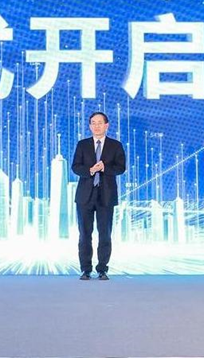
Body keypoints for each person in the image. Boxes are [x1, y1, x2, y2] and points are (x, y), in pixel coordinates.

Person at [71, 112, 126, 280]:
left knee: (105, 234)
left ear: (106, 125)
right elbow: (75, 167)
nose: (96, 126)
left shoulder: (115, 145)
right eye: (93, 123)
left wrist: (104, 168)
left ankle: (102, 269)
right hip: (85, 196)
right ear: (90, 126)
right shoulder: (82, 145)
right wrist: (90, 170)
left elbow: (121, 168)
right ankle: (85, 269)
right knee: (84, 234)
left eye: (100, 123)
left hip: (106, 196)